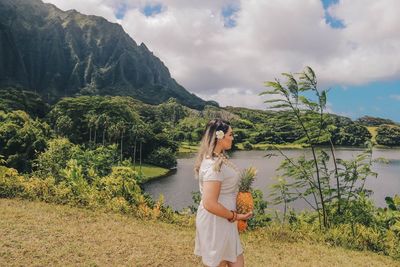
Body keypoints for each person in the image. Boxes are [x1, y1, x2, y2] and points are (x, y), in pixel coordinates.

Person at [193, 118, 253, 267]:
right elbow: (210, 203)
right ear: (220, 137)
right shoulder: (214, 166)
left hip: (224, 219)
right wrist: (236, 216)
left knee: (237, 262)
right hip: (217, 221)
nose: (233, 137)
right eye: (231, 134)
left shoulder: (218, 159)